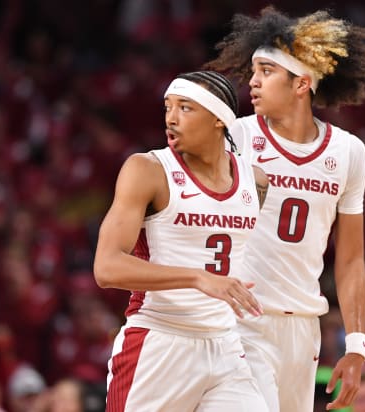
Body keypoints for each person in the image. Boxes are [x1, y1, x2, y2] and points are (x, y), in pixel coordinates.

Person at [204, 6, 365, 411]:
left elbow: (351, 258)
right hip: (241, 319)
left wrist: (356, 345)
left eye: (266, 71)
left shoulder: (348, 152)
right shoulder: (235, 136)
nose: (252, 82)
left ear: (302, 83)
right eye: (252, 71)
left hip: (305, 327)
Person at [93, 70, 270, 411]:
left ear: (219, 119)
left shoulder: (256, 180)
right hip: (158, 344)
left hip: (225, 347)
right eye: (167, 107)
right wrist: (196, 277)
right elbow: (106, 267)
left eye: (186, 108)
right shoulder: (148, 169)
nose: (171, 119)